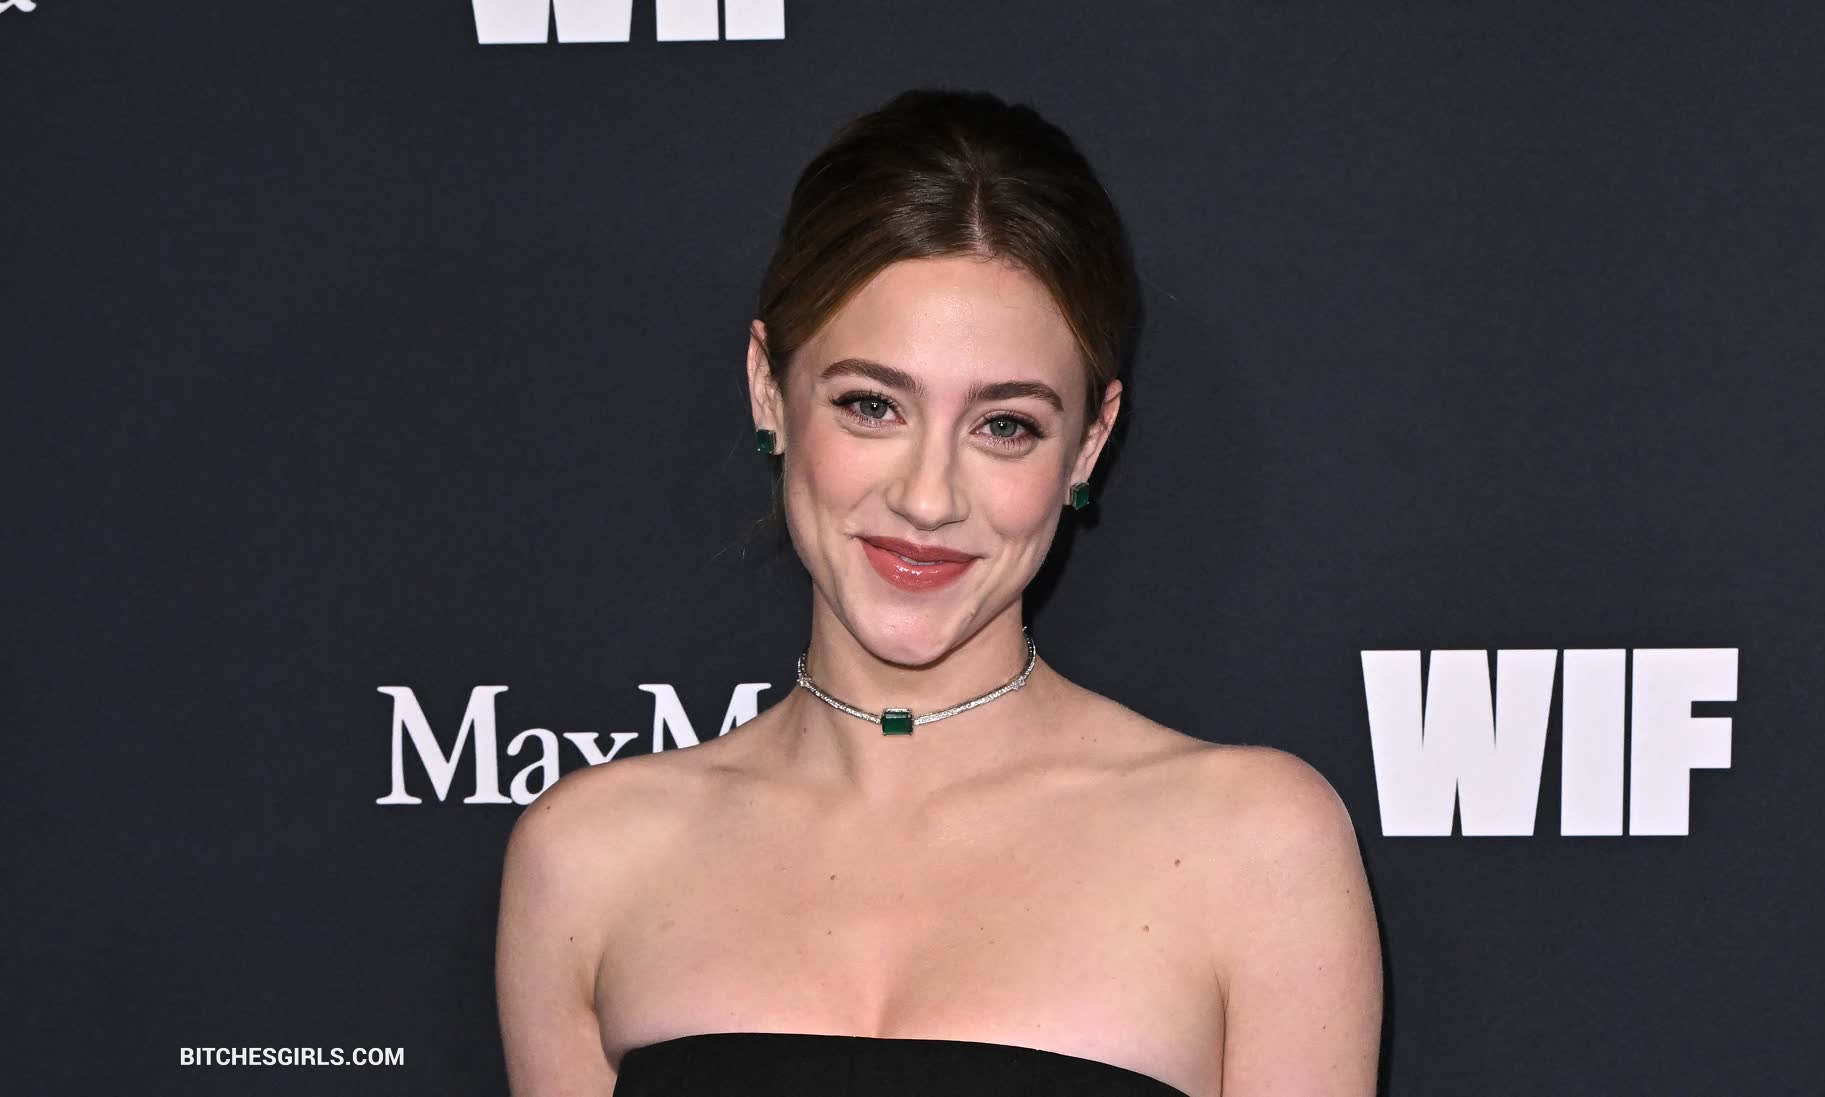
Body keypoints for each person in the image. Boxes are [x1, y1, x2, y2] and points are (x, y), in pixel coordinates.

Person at [496, 88, 1382, 1097]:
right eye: (872, 404)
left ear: (1088, 443)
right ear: (768, 389)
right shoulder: (590, 858)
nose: (927, 498)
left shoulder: (1255, 850)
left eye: (1005, 425)